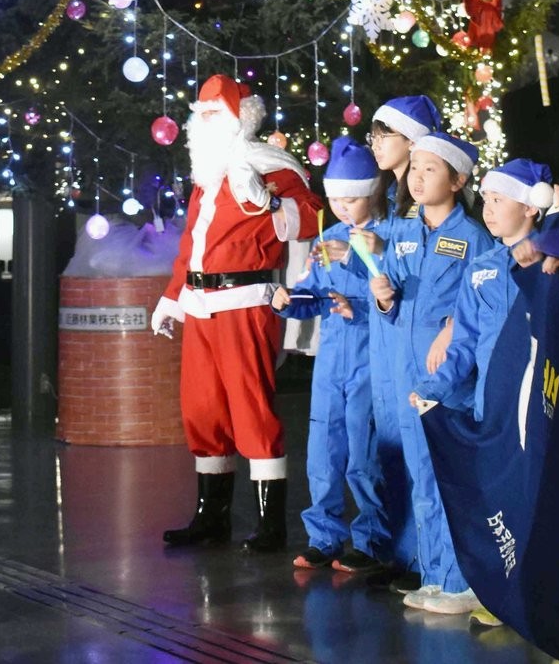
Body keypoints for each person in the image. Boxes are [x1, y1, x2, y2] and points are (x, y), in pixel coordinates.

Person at [152, 73, 321, 552]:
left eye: (215, 113)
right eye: (201, 113)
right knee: (202, 408)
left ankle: (270, 525)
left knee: (251, 407)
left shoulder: (269, 166)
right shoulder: (205, 178)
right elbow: (191, 247)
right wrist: (171, 297)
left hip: (245, 303)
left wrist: (269, 201)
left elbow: (312, 215)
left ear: (239, 119)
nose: (205, 121)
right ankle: (211, 517)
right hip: (200, 305)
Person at [321, 93, 440, 585]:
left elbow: (434, 274)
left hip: (417, 341)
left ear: (412, 140)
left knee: (421, 453)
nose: (374, 143)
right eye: (372, 134)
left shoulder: (428, 205)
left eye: (383, 134)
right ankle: (399, 550)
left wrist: (383, 252)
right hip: (387, 334)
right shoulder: (393, 202)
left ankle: (433, 563)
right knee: (385, 446)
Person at [370, 132, 490, 614]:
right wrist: (383, 298)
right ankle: (434, 575)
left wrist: (454, 326)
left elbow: (487, 302)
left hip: (450, 376)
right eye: (414, 168)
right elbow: (395, 307)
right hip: (408, 370)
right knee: (421, 475)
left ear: (457, 181)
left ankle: (465, 582)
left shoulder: (474, 237)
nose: (417, 178)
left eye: (430, 169)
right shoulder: (403, 232)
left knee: (449, 476)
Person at [271, 135, 388, 574]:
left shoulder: (386, 237)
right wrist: (290, 300)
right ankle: (324, 536)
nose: (341, 208)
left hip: (370, 356)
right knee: (323, 448)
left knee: (363, 452)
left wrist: (357, 296)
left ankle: (372, 539)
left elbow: (394, 293)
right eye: (335, 199)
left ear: (372, 193)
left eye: (351, 199)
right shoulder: (331, 236)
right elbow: (317, 295)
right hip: (332, 357)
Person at [409, 158, 554, 422]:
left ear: (530, 207)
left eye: (498, 200)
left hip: (538, 399)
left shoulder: (553, 260)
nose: (488, 210)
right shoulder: (479, 268)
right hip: (490, 401)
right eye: (485, 200)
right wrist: (432, 388)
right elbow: (464, 340)